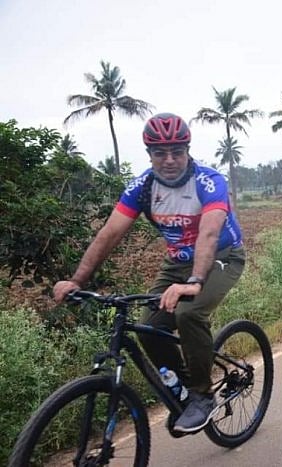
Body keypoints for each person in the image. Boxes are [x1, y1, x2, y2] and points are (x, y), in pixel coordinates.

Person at [53, 112, 246, 433]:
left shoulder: (209, 181)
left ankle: (201, 395)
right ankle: (182, 389)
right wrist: (76, 280)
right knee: (147, 326)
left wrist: (195, 282)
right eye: (160, 153)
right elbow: (109, 234)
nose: (169, 160)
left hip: (221, 257)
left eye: (177, 152)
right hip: (178, 262)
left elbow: (209, 235)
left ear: (188, 150)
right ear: (149, 154)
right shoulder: (143, 187)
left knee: (188, 314)